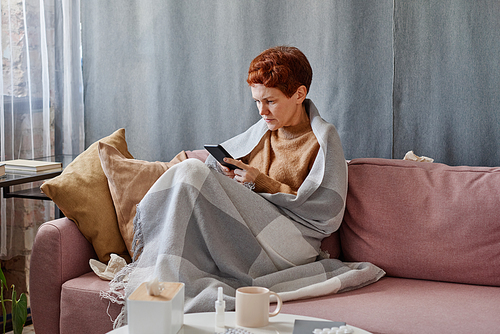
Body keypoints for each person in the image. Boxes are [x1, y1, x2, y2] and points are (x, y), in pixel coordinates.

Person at [109, 46, 383, 321]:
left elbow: (325, 213)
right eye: (256, 101)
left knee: (191, 171)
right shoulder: (264, 130)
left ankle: (163, 285)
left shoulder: (323, 138)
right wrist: (235, 180)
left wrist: (260, 182)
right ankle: (167, 277)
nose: (262, 111)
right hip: (254, 233)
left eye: (271, 101)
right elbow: (243, 188)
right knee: (192, 172)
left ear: (299, 94)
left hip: (293, 242)